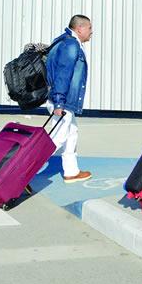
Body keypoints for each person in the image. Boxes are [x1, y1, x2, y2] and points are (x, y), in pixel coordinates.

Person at [45, 15, 94, 183]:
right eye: (89, 28)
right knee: (56, 140)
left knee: (72, 133)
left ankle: (71, 171)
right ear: (79, 29)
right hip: (62, 101)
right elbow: (63, 74)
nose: (91, 32)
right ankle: (21, 174)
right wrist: (59, 101)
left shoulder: (64, 41)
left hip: (65, 101)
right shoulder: (71, 45)